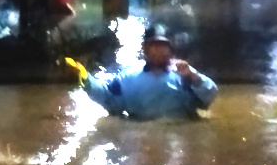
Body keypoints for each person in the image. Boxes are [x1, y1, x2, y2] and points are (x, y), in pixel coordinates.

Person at [67, 24, 218, 120]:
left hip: (179, 131)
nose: (159, 49)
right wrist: (85, 77)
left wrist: (194, 77)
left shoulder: (184, 73)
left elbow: (210, 95)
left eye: (163, 45)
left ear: (171, 49)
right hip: (143, 131)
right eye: (154, 45)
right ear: (145, 49)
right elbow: (107, 97)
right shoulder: (128, 77)